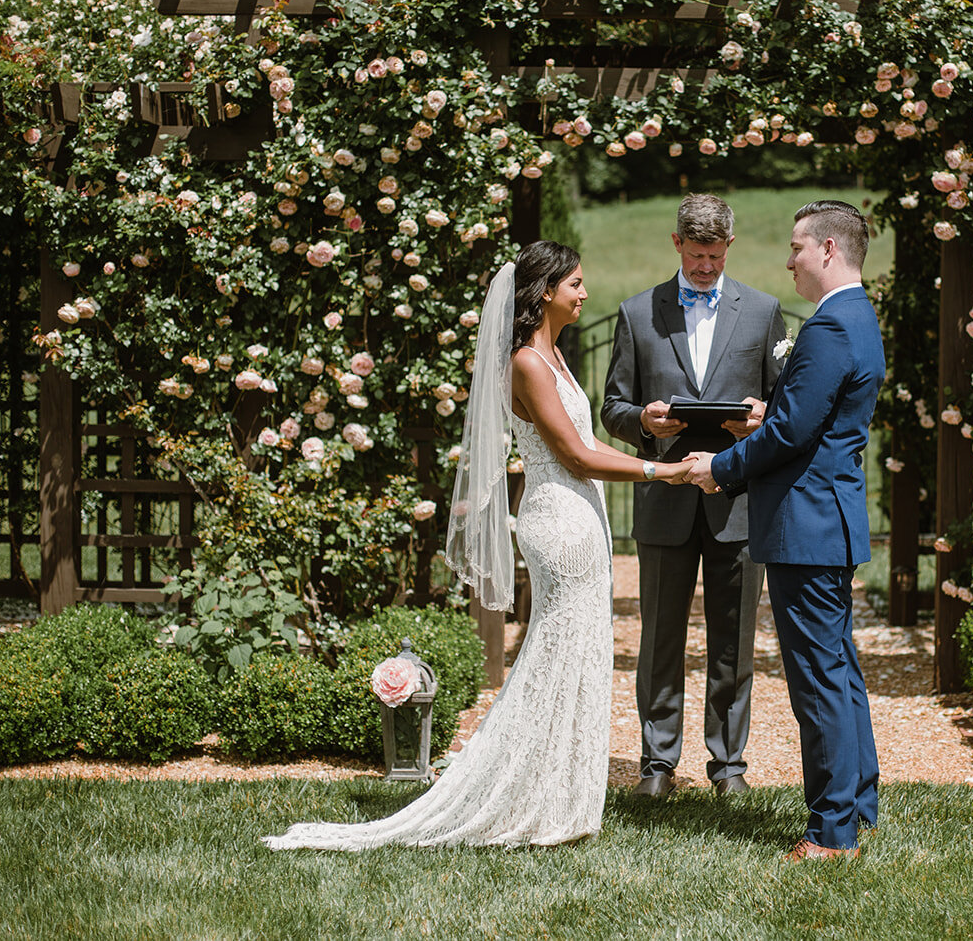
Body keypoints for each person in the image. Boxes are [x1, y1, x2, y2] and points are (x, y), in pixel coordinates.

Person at [264, 241, 692, 851]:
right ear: (545, 291)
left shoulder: (555, 357)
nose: (584, 293)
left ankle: (560, 798)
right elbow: (574, 454)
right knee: (555, 659)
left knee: (577, 659)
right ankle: (522, 795)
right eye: (575, 283)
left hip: (581, 513)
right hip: (560, 520)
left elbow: (583, 447)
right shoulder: (527, 363)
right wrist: (666, 472)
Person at [683, 200, 884, 862]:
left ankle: (831, 832)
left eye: (797, 246)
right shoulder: (859, 315)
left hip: (807, 522)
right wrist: (780, 414)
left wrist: (720, 466)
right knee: (841, 670)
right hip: (830, 516)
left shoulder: (828, 327)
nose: (789, 258)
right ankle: (858, 805)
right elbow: (810, 419)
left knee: (818, 677)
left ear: (829, 249)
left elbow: (794, 435)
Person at [601, 194, 786, 799]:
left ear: (728, 246)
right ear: (676, 243)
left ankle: (728, 765)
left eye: (714, 256)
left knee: (733, 642)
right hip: (665, 501)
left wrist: (759, 419)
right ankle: (657, 763)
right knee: (658, 638)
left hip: (737, 500)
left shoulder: (762, 312)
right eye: (696, 255)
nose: (705, 267)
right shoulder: (636, 312)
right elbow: (614, 408)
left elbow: (786, 407)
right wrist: (646, 425)